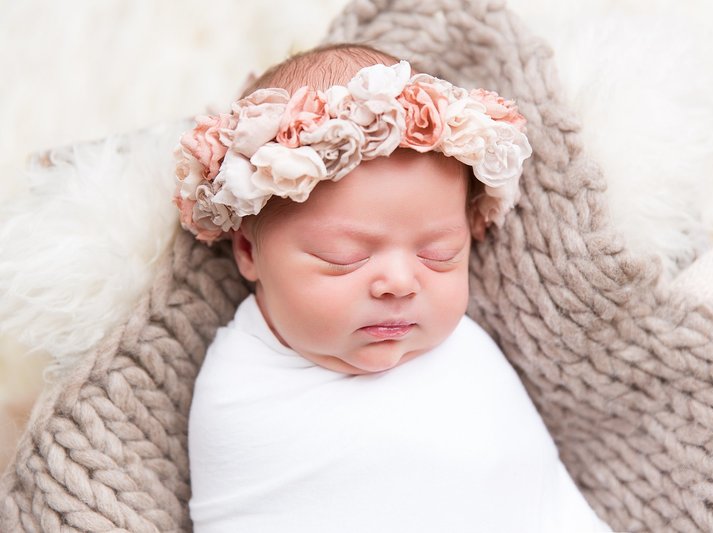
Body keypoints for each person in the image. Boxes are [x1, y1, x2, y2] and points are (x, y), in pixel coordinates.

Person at [179, 42, 609, 532]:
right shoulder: (242, 394)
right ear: (249, 253)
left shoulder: (470, 351)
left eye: (439, 254)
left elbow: (532, 489)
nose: (401, 283)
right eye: (345, 258)